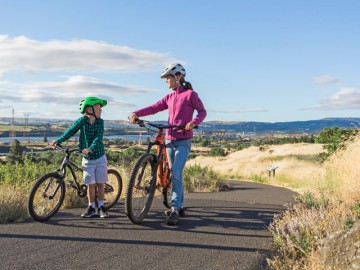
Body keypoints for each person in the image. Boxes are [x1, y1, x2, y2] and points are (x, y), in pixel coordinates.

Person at [129, 63, 207, 225]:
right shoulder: (169, 97)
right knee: (174, 173)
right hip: (170, 140)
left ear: (178, 76)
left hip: (183, 140)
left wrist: (193, 122)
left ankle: (174, 210)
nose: (166, 82)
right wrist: (137, 113)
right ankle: (181, 205)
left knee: (176, 173)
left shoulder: (191, 95)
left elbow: (202, 111)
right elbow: (155, 107)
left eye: (168, 78)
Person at [49, 96, 109, 218]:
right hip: (87, 160)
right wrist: (58, 141)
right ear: (89, 109)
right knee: (90, 184)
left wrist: (90, 149)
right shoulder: (82, 121)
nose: (101, 110)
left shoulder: (100, 122)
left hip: (99, 157)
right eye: (98, 108)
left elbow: (98, 138)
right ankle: (91, 207)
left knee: (100, 183)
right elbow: (70, 131)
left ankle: (102, 207)